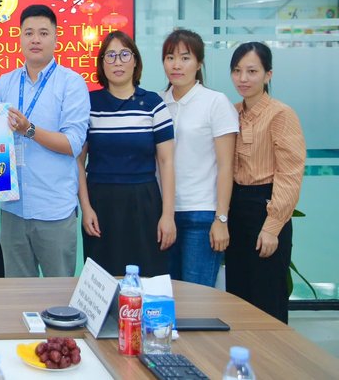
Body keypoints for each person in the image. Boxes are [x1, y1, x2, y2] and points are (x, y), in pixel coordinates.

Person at [0, 4, 90, 277]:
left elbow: (72, 144)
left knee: (59, 298)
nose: (35, 39)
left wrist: (29, 129)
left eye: (43, 33)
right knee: (17, 297)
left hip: (54, 210)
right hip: (13, 209)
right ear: (20, 37)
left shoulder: (72, 83)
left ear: (56, 38)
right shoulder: (5, 83)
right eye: (29, 33)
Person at [78, 30, 176, 277]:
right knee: (101, 280)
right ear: (101, 63)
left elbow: (166, 162)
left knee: (147, 279)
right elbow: (78, 162)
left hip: (144, 203)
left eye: (124, 54)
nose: (118, 62)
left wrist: (167, 215)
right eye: (110, 56)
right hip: (101, 204)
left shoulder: (153, 104)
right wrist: (86, 208)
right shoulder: (88, 105)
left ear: (135, 61)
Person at [226, 42, 305, 323]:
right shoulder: (232, 111)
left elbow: (290, 174)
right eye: (237, 71)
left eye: (252, 71)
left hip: (266, 207)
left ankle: (272, 365)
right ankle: (241, 362)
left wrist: (272, 228)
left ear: (268, 74)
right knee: (238, 295)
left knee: (267, 299)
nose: (243, 79)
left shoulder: (281, 114)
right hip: (236, 208)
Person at [161, 29, 238, 287]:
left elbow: (227, 167)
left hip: (202, 215)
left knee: (198, 299)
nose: (176, 65)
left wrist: (221, 219)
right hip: (164, 215)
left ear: (199, 63)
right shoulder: (157, 103)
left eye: (185, 58)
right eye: (170, 57)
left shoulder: (215, 102)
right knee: (164, 297)